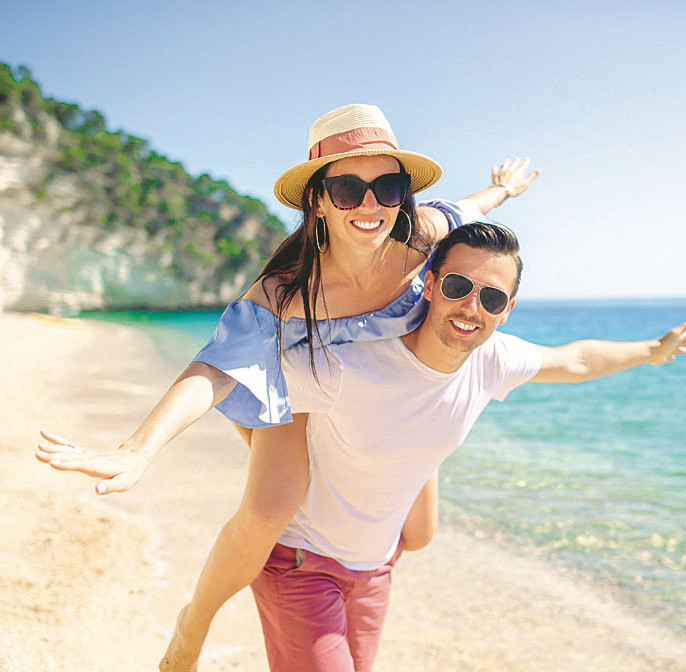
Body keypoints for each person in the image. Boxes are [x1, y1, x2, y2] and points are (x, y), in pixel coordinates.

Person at [34, 104, 540, 670]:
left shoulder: (425, 237)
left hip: (378, 391)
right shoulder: (286, 291)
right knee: (272, 507)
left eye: (388, 187)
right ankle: (191, 627)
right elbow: (215, 368)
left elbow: (468, 208)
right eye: (348, 189)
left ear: (403, 196)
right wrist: (138, 449)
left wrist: (503, 190)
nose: (370, 205)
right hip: (299, 377)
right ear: (318, 200)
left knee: (419, 534)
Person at [246, 222, 686, 671]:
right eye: (458, 286)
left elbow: (577, 360)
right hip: (302, 564)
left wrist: (653, 351)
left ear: (507, 311)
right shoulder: (349, 366)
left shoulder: (492, 359)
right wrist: (276, 471)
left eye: (492, 298)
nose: (471, 307)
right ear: (430, 285)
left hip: (375, 570)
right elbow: (244, 388)